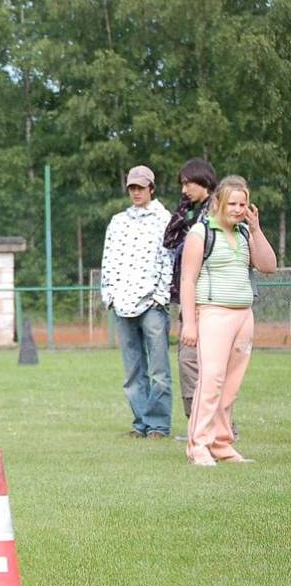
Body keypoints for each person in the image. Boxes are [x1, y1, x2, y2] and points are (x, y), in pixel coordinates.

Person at [181, 176, 276, 465]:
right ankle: (198, 445)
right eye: (232, 203)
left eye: (243, 203)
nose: (237, 209)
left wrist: (257, 229)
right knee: (211, 379)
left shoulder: (246, 233)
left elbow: (268, 266)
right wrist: (189, 323)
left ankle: (222, 444)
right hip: (212, 313)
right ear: (218, 203)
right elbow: (188, 279)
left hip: (243, 315)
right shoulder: (200, 234)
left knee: (231, 384)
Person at [101, 165, 173, 439]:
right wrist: (109, 294)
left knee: (158, 369)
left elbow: (169, 259)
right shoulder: (118, 221)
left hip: (152, 304)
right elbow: (108, 260)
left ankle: (158, 425)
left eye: (141, 188)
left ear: (151, 189)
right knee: (132, 370)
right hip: (122, 303)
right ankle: (140, 421)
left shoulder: (164, 219)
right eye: (132, 188)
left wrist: (160, 297)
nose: (136, 192)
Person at [163, 158, 217, 424]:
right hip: (189, 298)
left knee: (212, 368)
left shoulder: (216, 211)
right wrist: (184, 208)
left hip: (212, 299)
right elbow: (169, 240)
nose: (184, 189)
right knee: (188, 362)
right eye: (182, 184)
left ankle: (219, 427)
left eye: (188, 183)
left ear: (204, 181)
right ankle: (197, 424)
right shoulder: (191, 211)